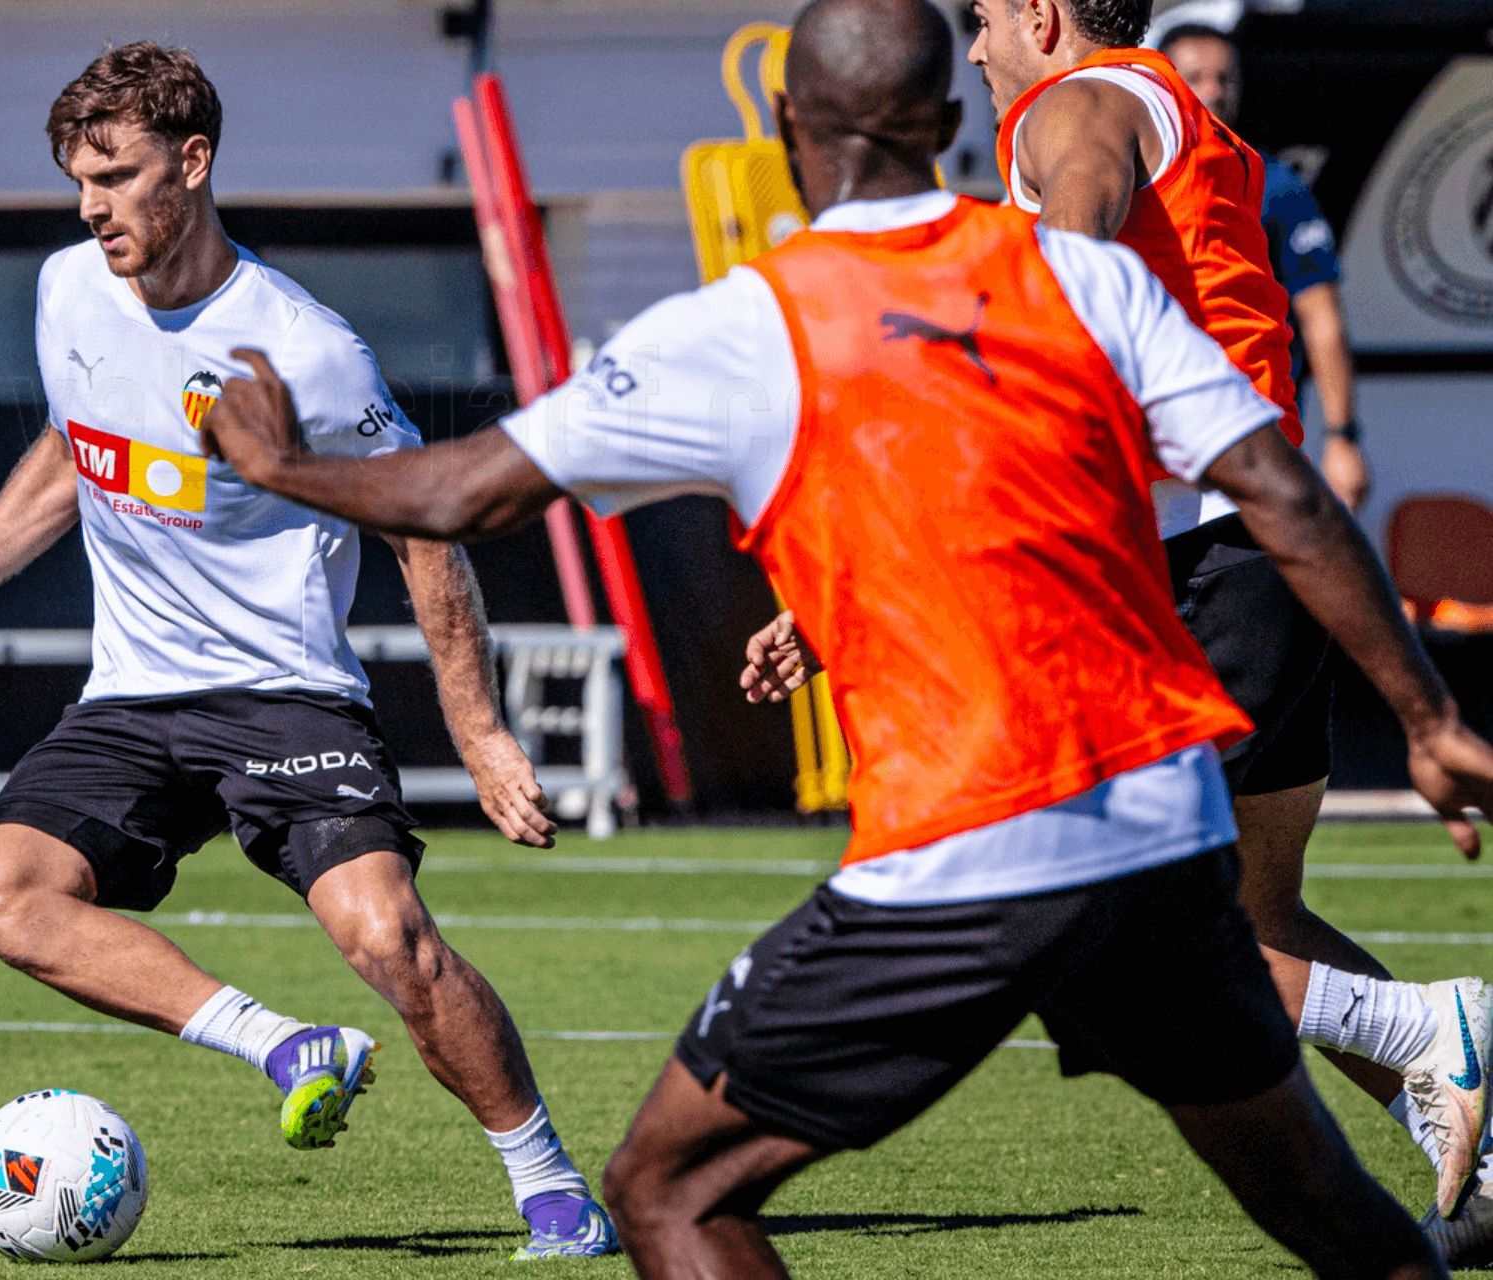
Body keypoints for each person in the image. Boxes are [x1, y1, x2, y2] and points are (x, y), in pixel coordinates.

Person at [198, 2, 1493, 1273]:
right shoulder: (1082, 280)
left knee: (669, 1192)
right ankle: (1418, 1036)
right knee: (1322, 1205)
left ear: (784, 124)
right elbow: (1286, 488)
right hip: (1153, 825)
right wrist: (1428, 716)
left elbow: (462, 493)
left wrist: (282, 462)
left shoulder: (749, 321)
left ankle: (1427, 1028)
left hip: (965, 850)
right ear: (945, 124)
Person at [0, 41, 618, 1261]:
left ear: (191, 164)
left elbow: (421, 532)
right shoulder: (67, 288)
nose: (93, 207)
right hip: (131, 696)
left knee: (384, 934)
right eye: (79, 181)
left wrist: (480, 730)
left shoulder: (301, 347)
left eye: (118, 176)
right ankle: (285, 1046)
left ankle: (548, 1180)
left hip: (283, 695)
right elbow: (69, 449)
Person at [967, 0, 1493, 1226]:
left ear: (1042, 16)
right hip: (1259, 554)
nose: (978, 48)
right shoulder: (1181, 113)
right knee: (1260, 918)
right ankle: (1472, 1125)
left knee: (1115, 926)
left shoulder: (1072, 105)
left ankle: (1433, 1024)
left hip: (1199, 564)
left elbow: (1077, 247)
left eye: (982, 19)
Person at [1160, 21, 1370, 512]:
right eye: (1196, 78)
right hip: (1156, 446)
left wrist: (1343, 437)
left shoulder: (1274, 185)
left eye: (1225, 79)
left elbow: (1321, 316)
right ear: (1164, 84)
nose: (1213, 92)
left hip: (1256, 442)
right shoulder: (1135, 184)